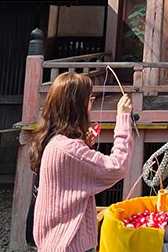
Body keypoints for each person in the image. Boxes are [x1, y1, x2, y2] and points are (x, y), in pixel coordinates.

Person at [29, 71, 133, 252]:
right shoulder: (70, 150)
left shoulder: (53, 141)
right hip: (70, 242)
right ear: (78, 105)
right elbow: (118, 166)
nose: (92, 104)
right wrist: (123, 119)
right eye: (90, 99)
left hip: (53, 240)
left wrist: (83, 144)